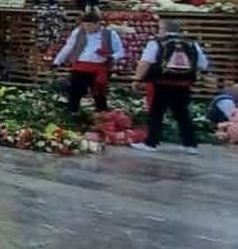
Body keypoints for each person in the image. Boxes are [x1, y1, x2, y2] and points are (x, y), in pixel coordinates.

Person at [131, 20, 209, 152]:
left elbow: (145, 62)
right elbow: (203, 64)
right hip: (183, 84)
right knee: (182, 114)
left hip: (161, 83)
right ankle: (190, 145)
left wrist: (137, 79)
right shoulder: (192, 44)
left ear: (164, 29)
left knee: (156, 113)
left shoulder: (156, 42)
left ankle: (151, 143)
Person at [52, 9, 122, 116]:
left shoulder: (110, 34)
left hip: (100, 68)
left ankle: (103, 116)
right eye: (84, 25)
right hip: (80, 66)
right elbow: (68, 47)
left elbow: (120, 51)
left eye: (89, 25)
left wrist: (111, 57)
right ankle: (72, 113)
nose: (86, 28)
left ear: (98, 23)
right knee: (75, 92)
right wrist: (57, 61)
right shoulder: (78, 32)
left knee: (99, 93)